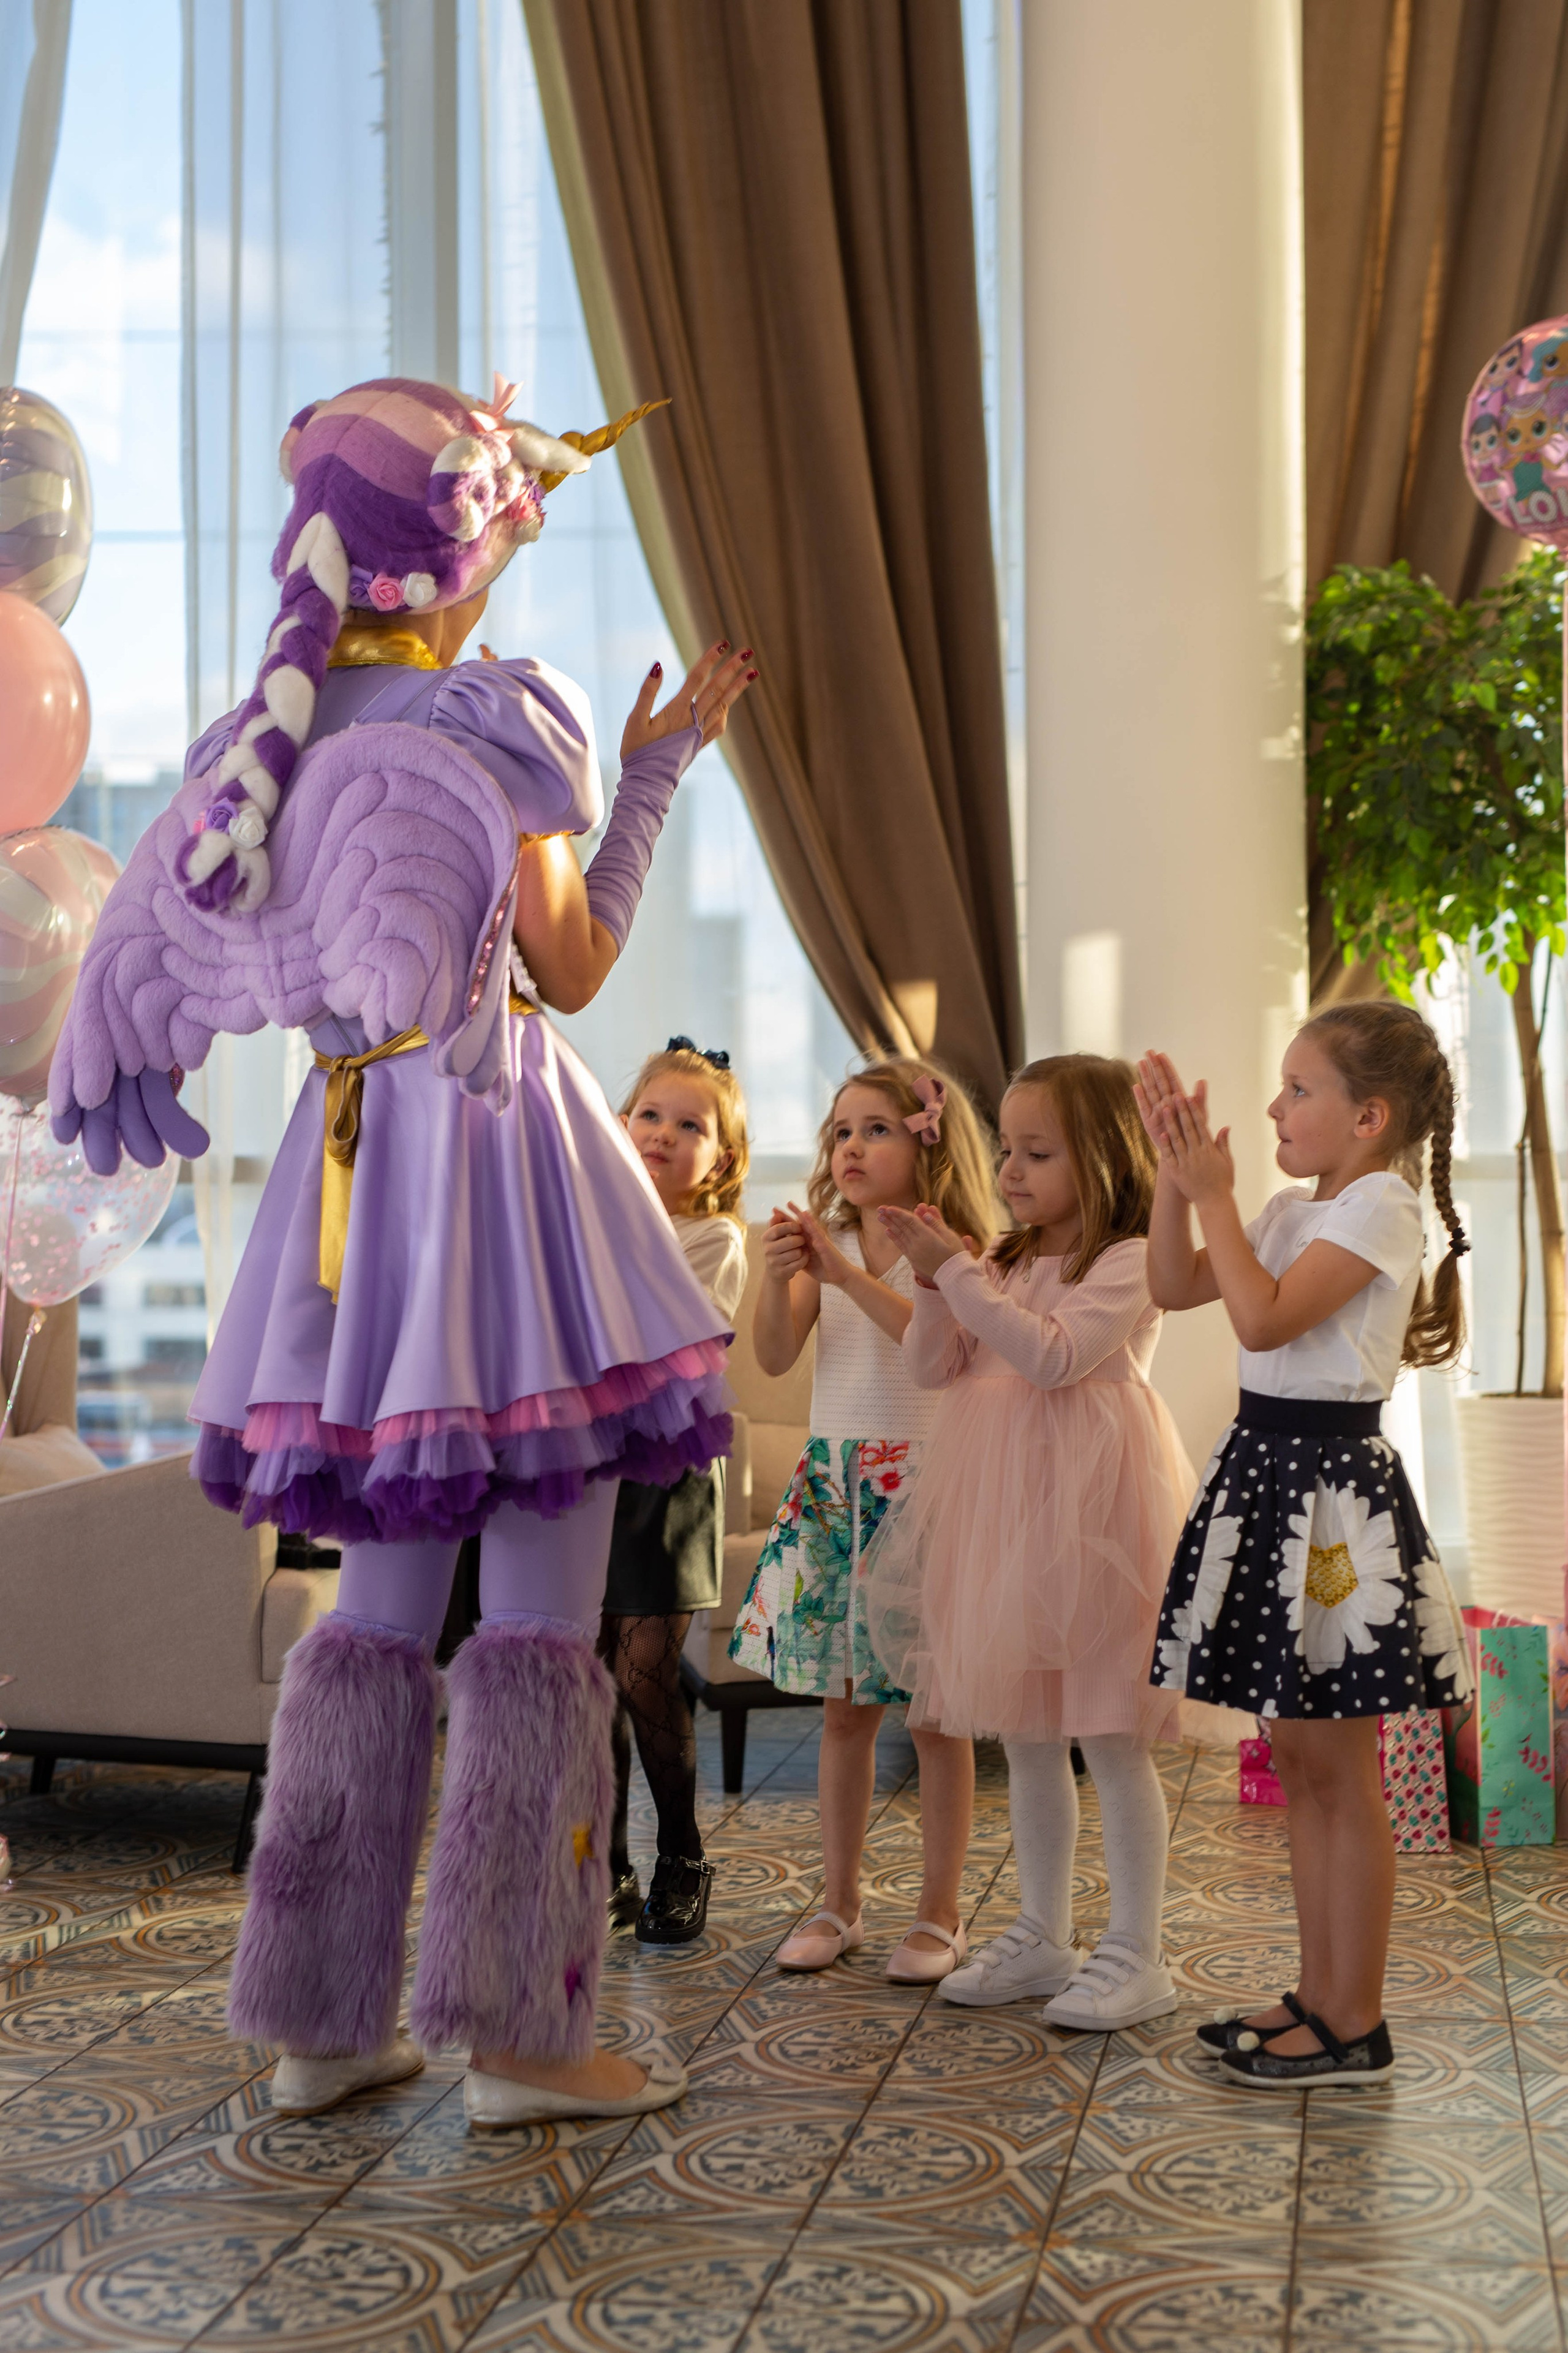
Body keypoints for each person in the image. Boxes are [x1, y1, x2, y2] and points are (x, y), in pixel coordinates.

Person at [49, 374, 758, 2131]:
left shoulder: (254, 757)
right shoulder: (491, 728)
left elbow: (156, 983)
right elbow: (574, 968)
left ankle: (314, 2023)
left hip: (350, 1203)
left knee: (367, 1616)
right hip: (508, 1180)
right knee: (537, 1625)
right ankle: (526, 2036)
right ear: (457, 556)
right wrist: (656, 770)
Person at [1137, 1000, 1472, 2088]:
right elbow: (1179, 1283)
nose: (1275, 1105)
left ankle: (1355, 2019)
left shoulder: (1382, 1206)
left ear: (1368, 1117)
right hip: (1271, 1478)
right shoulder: (1291, 1205)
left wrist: (1219, 1199)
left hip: (1331, 1496)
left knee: (1340, 1768)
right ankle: (1319, 1994)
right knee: (1297, 1760)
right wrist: (1171, 1181)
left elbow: (1264, 1319)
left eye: (1298, 1089)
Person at [865, 1056, 1196, 2031]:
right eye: (1007, 1148)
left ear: (1100, 1159)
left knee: (1108, 1730)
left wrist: (958, 1272)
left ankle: (1138, 1949)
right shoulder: (1003, 1257)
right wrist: (937, 1280)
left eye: (1036, 1151)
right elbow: (931, 1365)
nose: (1010, 1169)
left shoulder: (1131, 1259)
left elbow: (1053, 1358)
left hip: (1093, 1519)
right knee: (1029, 1732)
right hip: (1005, 1518)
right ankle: (1044, 1929)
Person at [727, 1059, 997, 1982]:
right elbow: (771, 1352)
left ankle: (940, 1912)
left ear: (927, 1143)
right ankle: (838, 1901)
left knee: (934, 1717)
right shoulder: (828, 1236)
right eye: (841, 1130)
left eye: (875, 1128)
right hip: (838, 1488)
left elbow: (936, 1355)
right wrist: (780, 1278)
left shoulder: (950, 1244)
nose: (850, 1146)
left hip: (922, 1492)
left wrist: (844, 1270)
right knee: (842, 1714)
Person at [601, 1037, 750, 1944]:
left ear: (722, 1157)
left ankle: (683, 1853)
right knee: (588, 1669)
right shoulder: (586, 1223)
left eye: (688, 1124)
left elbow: (655, 1342)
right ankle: (606, 1861)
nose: (662, 1133)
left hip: (669, 1468)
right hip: (587, 1468)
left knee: (645, 1668)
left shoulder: (715, 1238)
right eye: (648, 1114)